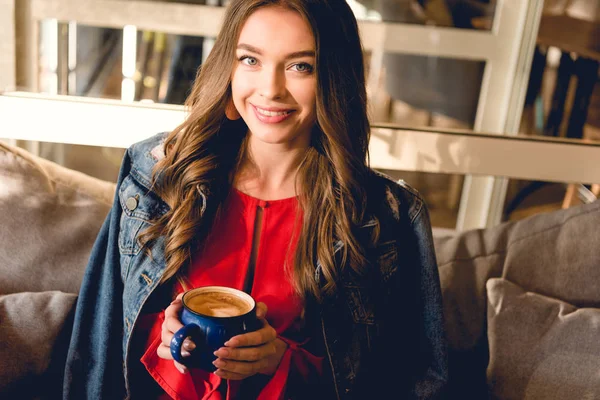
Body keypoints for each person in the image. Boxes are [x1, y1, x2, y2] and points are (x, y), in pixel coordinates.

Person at [63, 0, 448, 399]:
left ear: (335, 78)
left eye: (301, 66)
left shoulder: (387, 216)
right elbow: (99, 343)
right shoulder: (156, 175)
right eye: (251, 60)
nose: (270, 89)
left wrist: (282, 360)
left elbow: (410, 382)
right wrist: (163, 335)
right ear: (228, 66)